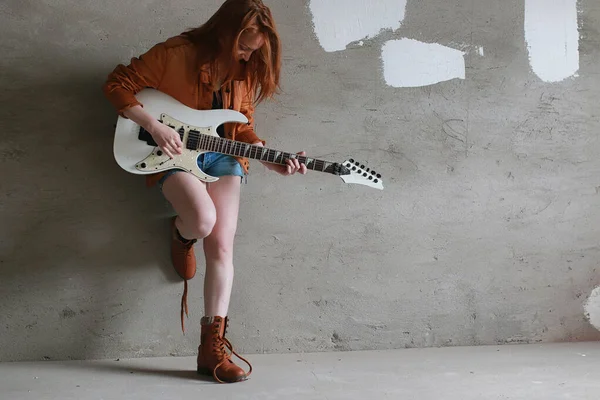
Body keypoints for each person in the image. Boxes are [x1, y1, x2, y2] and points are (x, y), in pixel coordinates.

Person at [102, 0, 306, 384]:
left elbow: (241, 127)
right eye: (243, 48)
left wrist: (267, 157)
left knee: (222, 246)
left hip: (222, 157)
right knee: (202, 220)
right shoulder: (174, 54)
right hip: (173, 154)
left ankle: (211, 349)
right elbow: (117, 83)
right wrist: (153, 125)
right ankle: (182, 233)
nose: (247, 57)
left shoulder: (242, 71)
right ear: (224, 34)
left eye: (253, 51)